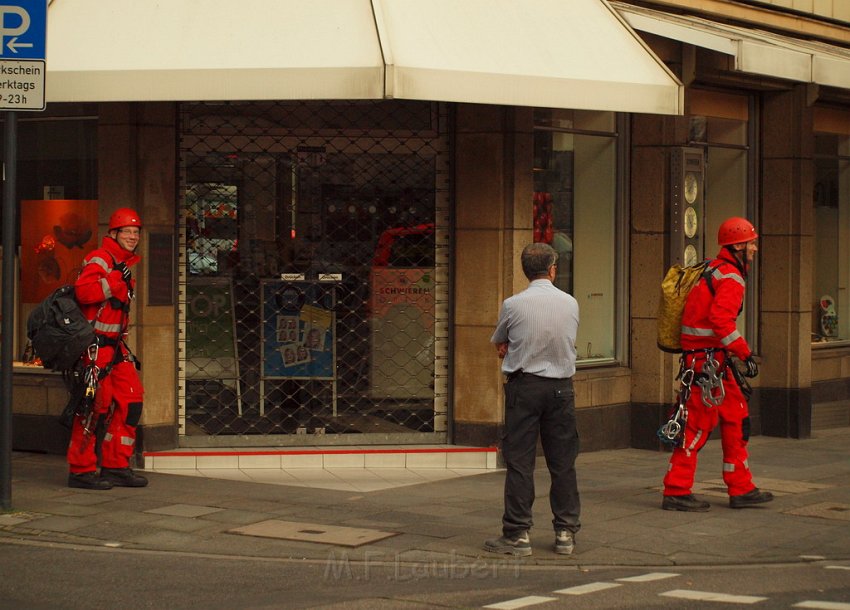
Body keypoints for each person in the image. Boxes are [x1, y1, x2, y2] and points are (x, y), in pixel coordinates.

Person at [662, 217, 773, 511]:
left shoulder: (712, 268)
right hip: (706, 364)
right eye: (751, 242)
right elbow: (721, 322)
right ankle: (676, 489)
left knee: (737, 417)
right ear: (737, 245)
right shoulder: (731, 278)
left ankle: (741, 487)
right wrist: (746, 353)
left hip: (711, 362)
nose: (754, 248)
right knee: (696, 426)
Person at [484, 242, 581, 557]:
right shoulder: (571, 303)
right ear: (553, 269)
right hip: (562, 389)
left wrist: (512, 348)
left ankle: (518, 533)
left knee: (520, 462)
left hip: (524, 388)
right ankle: (565, 532)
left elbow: (500, 342)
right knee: (563, 462)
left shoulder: (513, 304)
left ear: (525, 271)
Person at [66, 207, 148, 490]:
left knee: (132, 400)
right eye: (127, 231)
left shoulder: (122, 265)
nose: (132, 236)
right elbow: (83, 292)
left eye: (136, 232)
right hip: (94, 349)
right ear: (113, 233)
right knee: (92, 408)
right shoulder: (101, 259)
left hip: (115, 350)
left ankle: (116, 465)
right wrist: (113, 281)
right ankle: (81, 470)